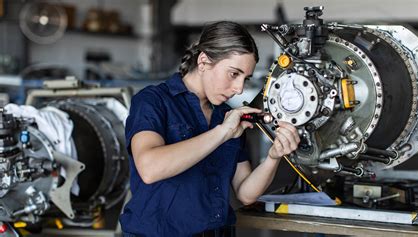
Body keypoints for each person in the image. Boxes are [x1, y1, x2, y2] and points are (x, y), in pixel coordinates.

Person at [120, 21, 300, 237]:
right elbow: (150, 168)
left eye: (246, 78)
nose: (239, 88)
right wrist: (222, 132)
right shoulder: (153, 101)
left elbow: (245, 193)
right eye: (234, 74)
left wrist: (273, 157)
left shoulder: (227, 116)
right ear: (204, 61)